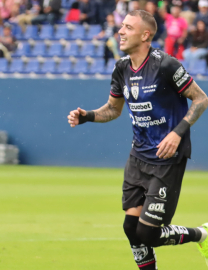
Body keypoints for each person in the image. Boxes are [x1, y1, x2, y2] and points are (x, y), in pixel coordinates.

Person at [67, 10, 208, 270]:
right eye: (121, 26)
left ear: (145, 35)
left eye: (128, 27)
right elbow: (113, 109)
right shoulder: (121, 68)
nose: (120, 31)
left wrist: (178, 133)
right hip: (138, 158)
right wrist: (86, 116)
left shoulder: (166, 65)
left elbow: (201, 99)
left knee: (147, 234)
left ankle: (202, 235)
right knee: (131, 228)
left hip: (167, 159)